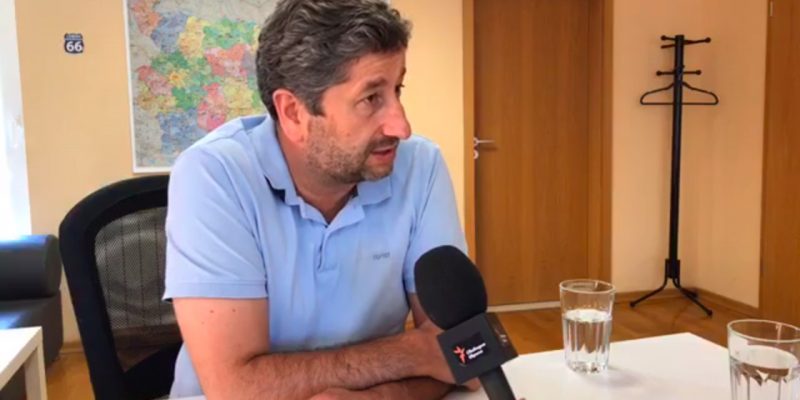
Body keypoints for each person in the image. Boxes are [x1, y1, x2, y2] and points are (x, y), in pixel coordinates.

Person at [163, 0, 472, 399]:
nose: (402, 126)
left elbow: (466, 351)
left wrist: (377, 398)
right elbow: (237, 387)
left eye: (397, 90)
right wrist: (413, 352)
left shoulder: (421, 166)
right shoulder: (213, 175)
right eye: (371, 98)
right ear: (293, 112)